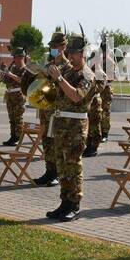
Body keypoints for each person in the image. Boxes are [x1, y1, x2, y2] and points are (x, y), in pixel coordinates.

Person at [45, 34, 96, 220]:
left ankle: (74, 204)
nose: (71, 57)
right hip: (61, 126)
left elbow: (76, 96)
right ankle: (64, 202)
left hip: (75, 127)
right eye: (69, 53)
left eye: (74, 53)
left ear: (82, 53)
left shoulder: (88, 74)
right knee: (62, 166)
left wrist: (59, 79)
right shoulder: (68, 71)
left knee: (73, 167)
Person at [33, 31, 68, 186]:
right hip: (45, 110)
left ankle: (58, 174)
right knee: (46, 142)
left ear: (64, 46)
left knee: (57, 144)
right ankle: (49, 171)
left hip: (58, 112)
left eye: (56, 46)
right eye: (52, 46)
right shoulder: (48, 65)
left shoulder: (68, 67)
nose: (53, 49)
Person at [0, 48, 29, 146]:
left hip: (19, 96)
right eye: (14, 57)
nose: (15, 59)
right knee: (11, 118)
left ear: (22, 57)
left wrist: (11, 74)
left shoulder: (25, 69)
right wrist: (4, 73)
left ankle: (18, 137)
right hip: (10, 95)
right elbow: (5, 81)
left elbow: (22, 81)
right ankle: (12, 136)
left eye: (16, 57)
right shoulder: (13, 68)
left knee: (18, 118)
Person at [83, 55, 108, 157]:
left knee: (95, 125)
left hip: (95, 102)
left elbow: (100, 88)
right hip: (88, 102)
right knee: (89, 125)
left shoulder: (100, 73)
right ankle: (88, 145)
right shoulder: (88, 71)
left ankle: (94, 147)